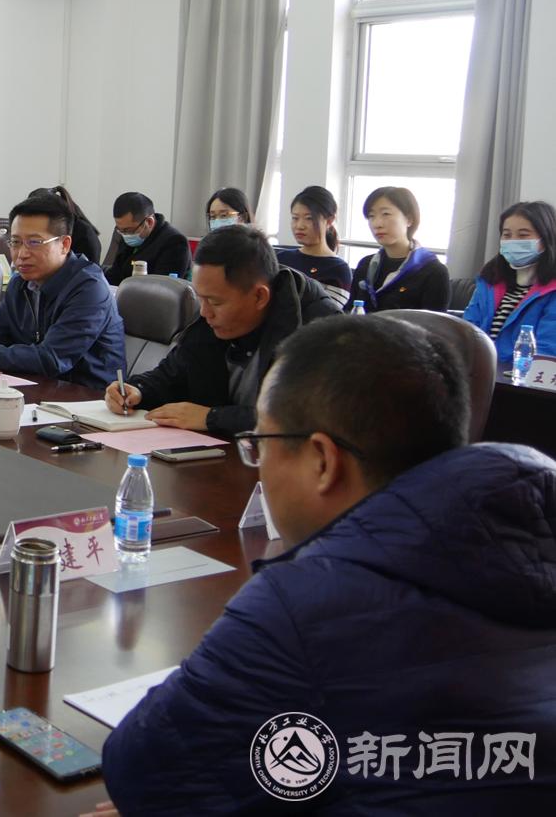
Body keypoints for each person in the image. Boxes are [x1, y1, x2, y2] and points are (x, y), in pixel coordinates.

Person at [101, 316, 556, 813]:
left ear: (322, 460)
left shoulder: (306, 603)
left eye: (261, 444)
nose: (260, 463)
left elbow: (140, 772)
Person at [104, 226, 338, 436]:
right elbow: (173, 374)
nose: (205, 312)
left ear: (259, 296)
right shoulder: (211, 318)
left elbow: (306, 418)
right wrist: (138, 390)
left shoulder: (319, 332)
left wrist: (212, 418)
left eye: (215, 302)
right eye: (201, 299)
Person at [0, 193, 125, 386]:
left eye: (34, 242)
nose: (22, 254)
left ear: (64, 244)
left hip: (86, 397)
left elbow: (51, 359)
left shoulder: (89, 289)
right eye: (15, 242)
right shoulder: (21, 283)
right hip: (31, 386)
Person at [462, 200, 556, 368]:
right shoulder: (489, 281)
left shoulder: (552, 290)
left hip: (520, 379)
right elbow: (467, 331)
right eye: (506, 235)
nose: (512, 241)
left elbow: (547, 351)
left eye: (523, 235)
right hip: (478, 372)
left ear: (546, 238)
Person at [347, 186, 450, 312]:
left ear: (409, 219)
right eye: (371, 216)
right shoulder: (366, 265)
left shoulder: (433, 271)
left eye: (386, 214)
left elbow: (435, 322)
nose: (377, 224)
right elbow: (349, 312)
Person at [276, 185, 352, 308]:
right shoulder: (281, 258)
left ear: (329, 221)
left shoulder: (338, 269)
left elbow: (329, 314)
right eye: (295, 218)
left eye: (309, 218)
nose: (300, 225)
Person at [105, 191, 193, 284]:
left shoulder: (175, 242)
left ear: (149, 222)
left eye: (129, 230)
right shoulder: (126, 233)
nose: (125, 235)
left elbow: (162, 287)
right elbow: (115, 274)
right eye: (120, 230)